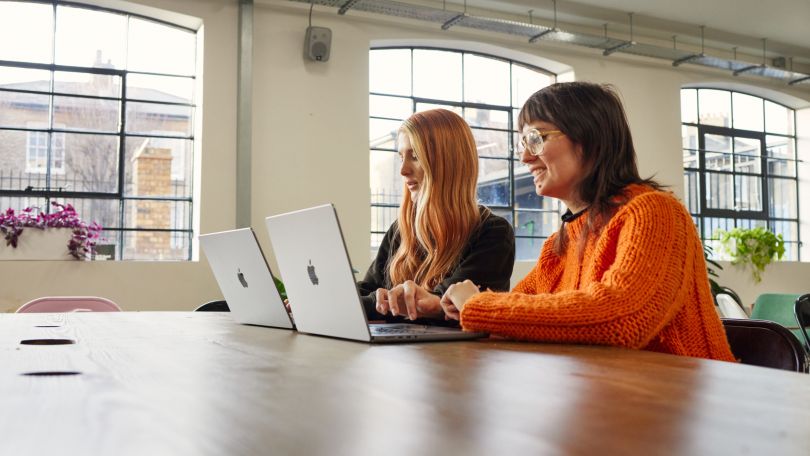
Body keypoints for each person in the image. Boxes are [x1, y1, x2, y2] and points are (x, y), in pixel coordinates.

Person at [440, 82, 735, 361]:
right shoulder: (561, 243)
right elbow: (520, 311)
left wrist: (477, 305)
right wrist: (442, 307)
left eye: (536, 139)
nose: (526, 158)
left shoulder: (655, 212)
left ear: (590, 139)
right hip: (620, 395)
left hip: (696, 399)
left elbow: (622, 318)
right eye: (523, 144)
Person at [357, 108, 515, 323]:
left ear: (448, 163)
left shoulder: (492, 233)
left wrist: (377, 302)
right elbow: (366, 290)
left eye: (415, 157)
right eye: (401, 157)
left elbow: (440, 306)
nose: (403, 170)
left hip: (457, 356)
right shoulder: (401, 229)